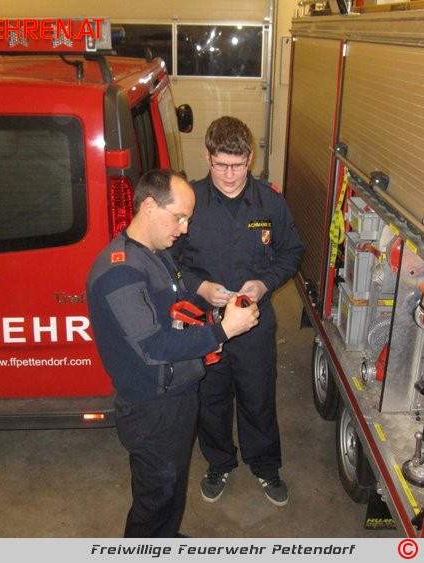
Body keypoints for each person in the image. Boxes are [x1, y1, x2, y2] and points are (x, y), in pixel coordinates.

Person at [86, 169, 259, 537]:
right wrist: (224, 331)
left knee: (173, 483)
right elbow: (154, 347)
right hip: (152, 409)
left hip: (176, 396)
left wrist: (211, 314)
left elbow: (174, 312)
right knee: (155, 496)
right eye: (179, 217)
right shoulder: (120, 272)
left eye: (188, 219)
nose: (184, 229)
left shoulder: (154, 254)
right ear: (149, 206)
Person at [172, 117, 304, 506]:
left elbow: (291, 251)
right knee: (210, 399)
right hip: (205, 325)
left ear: (250, 158)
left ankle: (265, 465)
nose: (230, 176)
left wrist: (264, 284)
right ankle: (219, 463)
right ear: (207, 157)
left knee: (257, 396)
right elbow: (167, 258)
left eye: (238, 165)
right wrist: (199, 287)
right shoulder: (189, 202)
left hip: (253, 324)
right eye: (221, 165)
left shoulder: (270, 202)